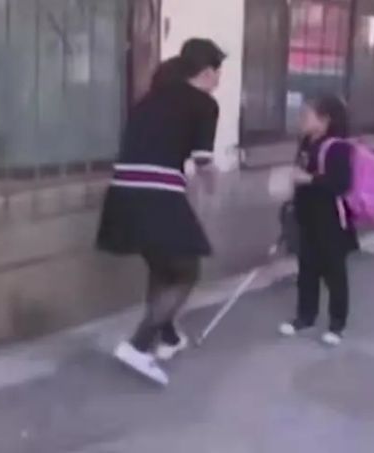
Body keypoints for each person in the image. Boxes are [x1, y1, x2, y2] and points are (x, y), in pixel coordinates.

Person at [96, 38, 225, 385]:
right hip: (157, 192)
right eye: (218, 73)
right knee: (186, 270)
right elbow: (202, 160)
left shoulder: (149, 100)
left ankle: (167, 337)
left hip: (123, 191)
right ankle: (138, 346)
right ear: (207, 71)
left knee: (162, 265)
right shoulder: (203, 103)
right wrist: (214, 183)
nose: (218, 81)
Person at [278, 94, 358, 346]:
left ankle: (337, 324)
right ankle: (305, 317)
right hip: (307, 216)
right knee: (307, 269)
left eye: (306, 115)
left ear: (325, 121)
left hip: (331, 220)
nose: (301, 119)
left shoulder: (338, 147)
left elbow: (341, 184)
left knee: (334, 273)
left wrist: (309, 179)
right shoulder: (305, 143)